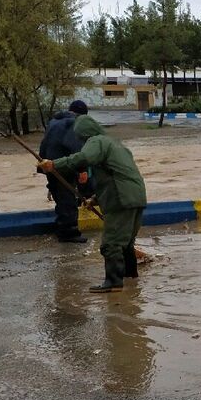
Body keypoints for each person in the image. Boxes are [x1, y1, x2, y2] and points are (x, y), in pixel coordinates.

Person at [39, 115, 147, 293]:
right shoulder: (116, 144)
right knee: (126, 242)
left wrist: (54, 165)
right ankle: (130, 277)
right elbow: (116, 176)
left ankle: (113, 283)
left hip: (120, 199)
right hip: (137, 196)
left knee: (111, 243)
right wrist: (94, 200)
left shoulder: (96, 141)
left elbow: (83, 158)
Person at [38, 99, 89, 243]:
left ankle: (61, 227)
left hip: (48, 164)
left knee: (60, 197)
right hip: (62, 166)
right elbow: (77, 149)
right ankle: (69, 233)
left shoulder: (53, 122)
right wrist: (82, 170)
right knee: (68, 199)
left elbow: (44, 145)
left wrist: (43, 166)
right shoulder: (73, 123)